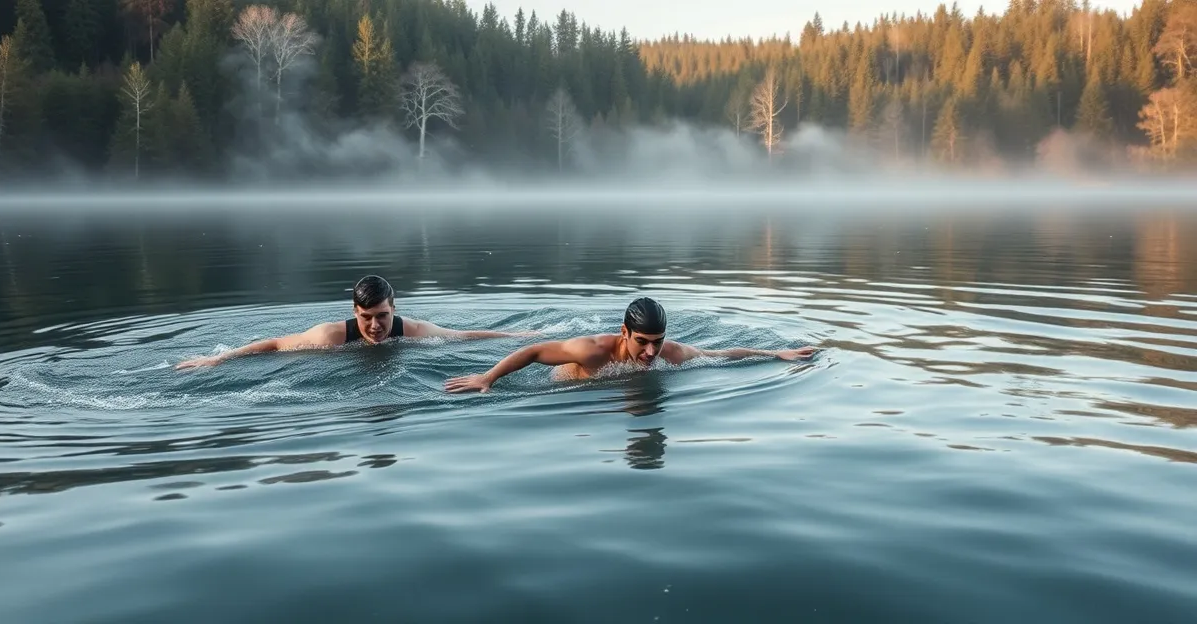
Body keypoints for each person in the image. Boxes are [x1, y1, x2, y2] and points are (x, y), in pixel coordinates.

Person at [444, 296, 818, 393]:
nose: (651, 352)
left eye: (658, 342)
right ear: (624, 332)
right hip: (562, 385)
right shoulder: (592, 350)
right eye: (643, 342)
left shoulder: (670, 353)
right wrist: (488, 378)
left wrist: (775, 353)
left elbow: (719, 354)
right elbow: (534, 351)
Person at [175, 275, 535, 369]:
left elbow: (462, 336)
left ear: (395, 309)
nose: (376, 326)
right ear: (353, 311)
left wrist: (517, 335)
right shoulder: (330, 336)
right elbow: (272, 344)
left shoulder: (411, 331)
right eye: (367, 318)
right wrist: (217, 359)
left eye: (383, 316)